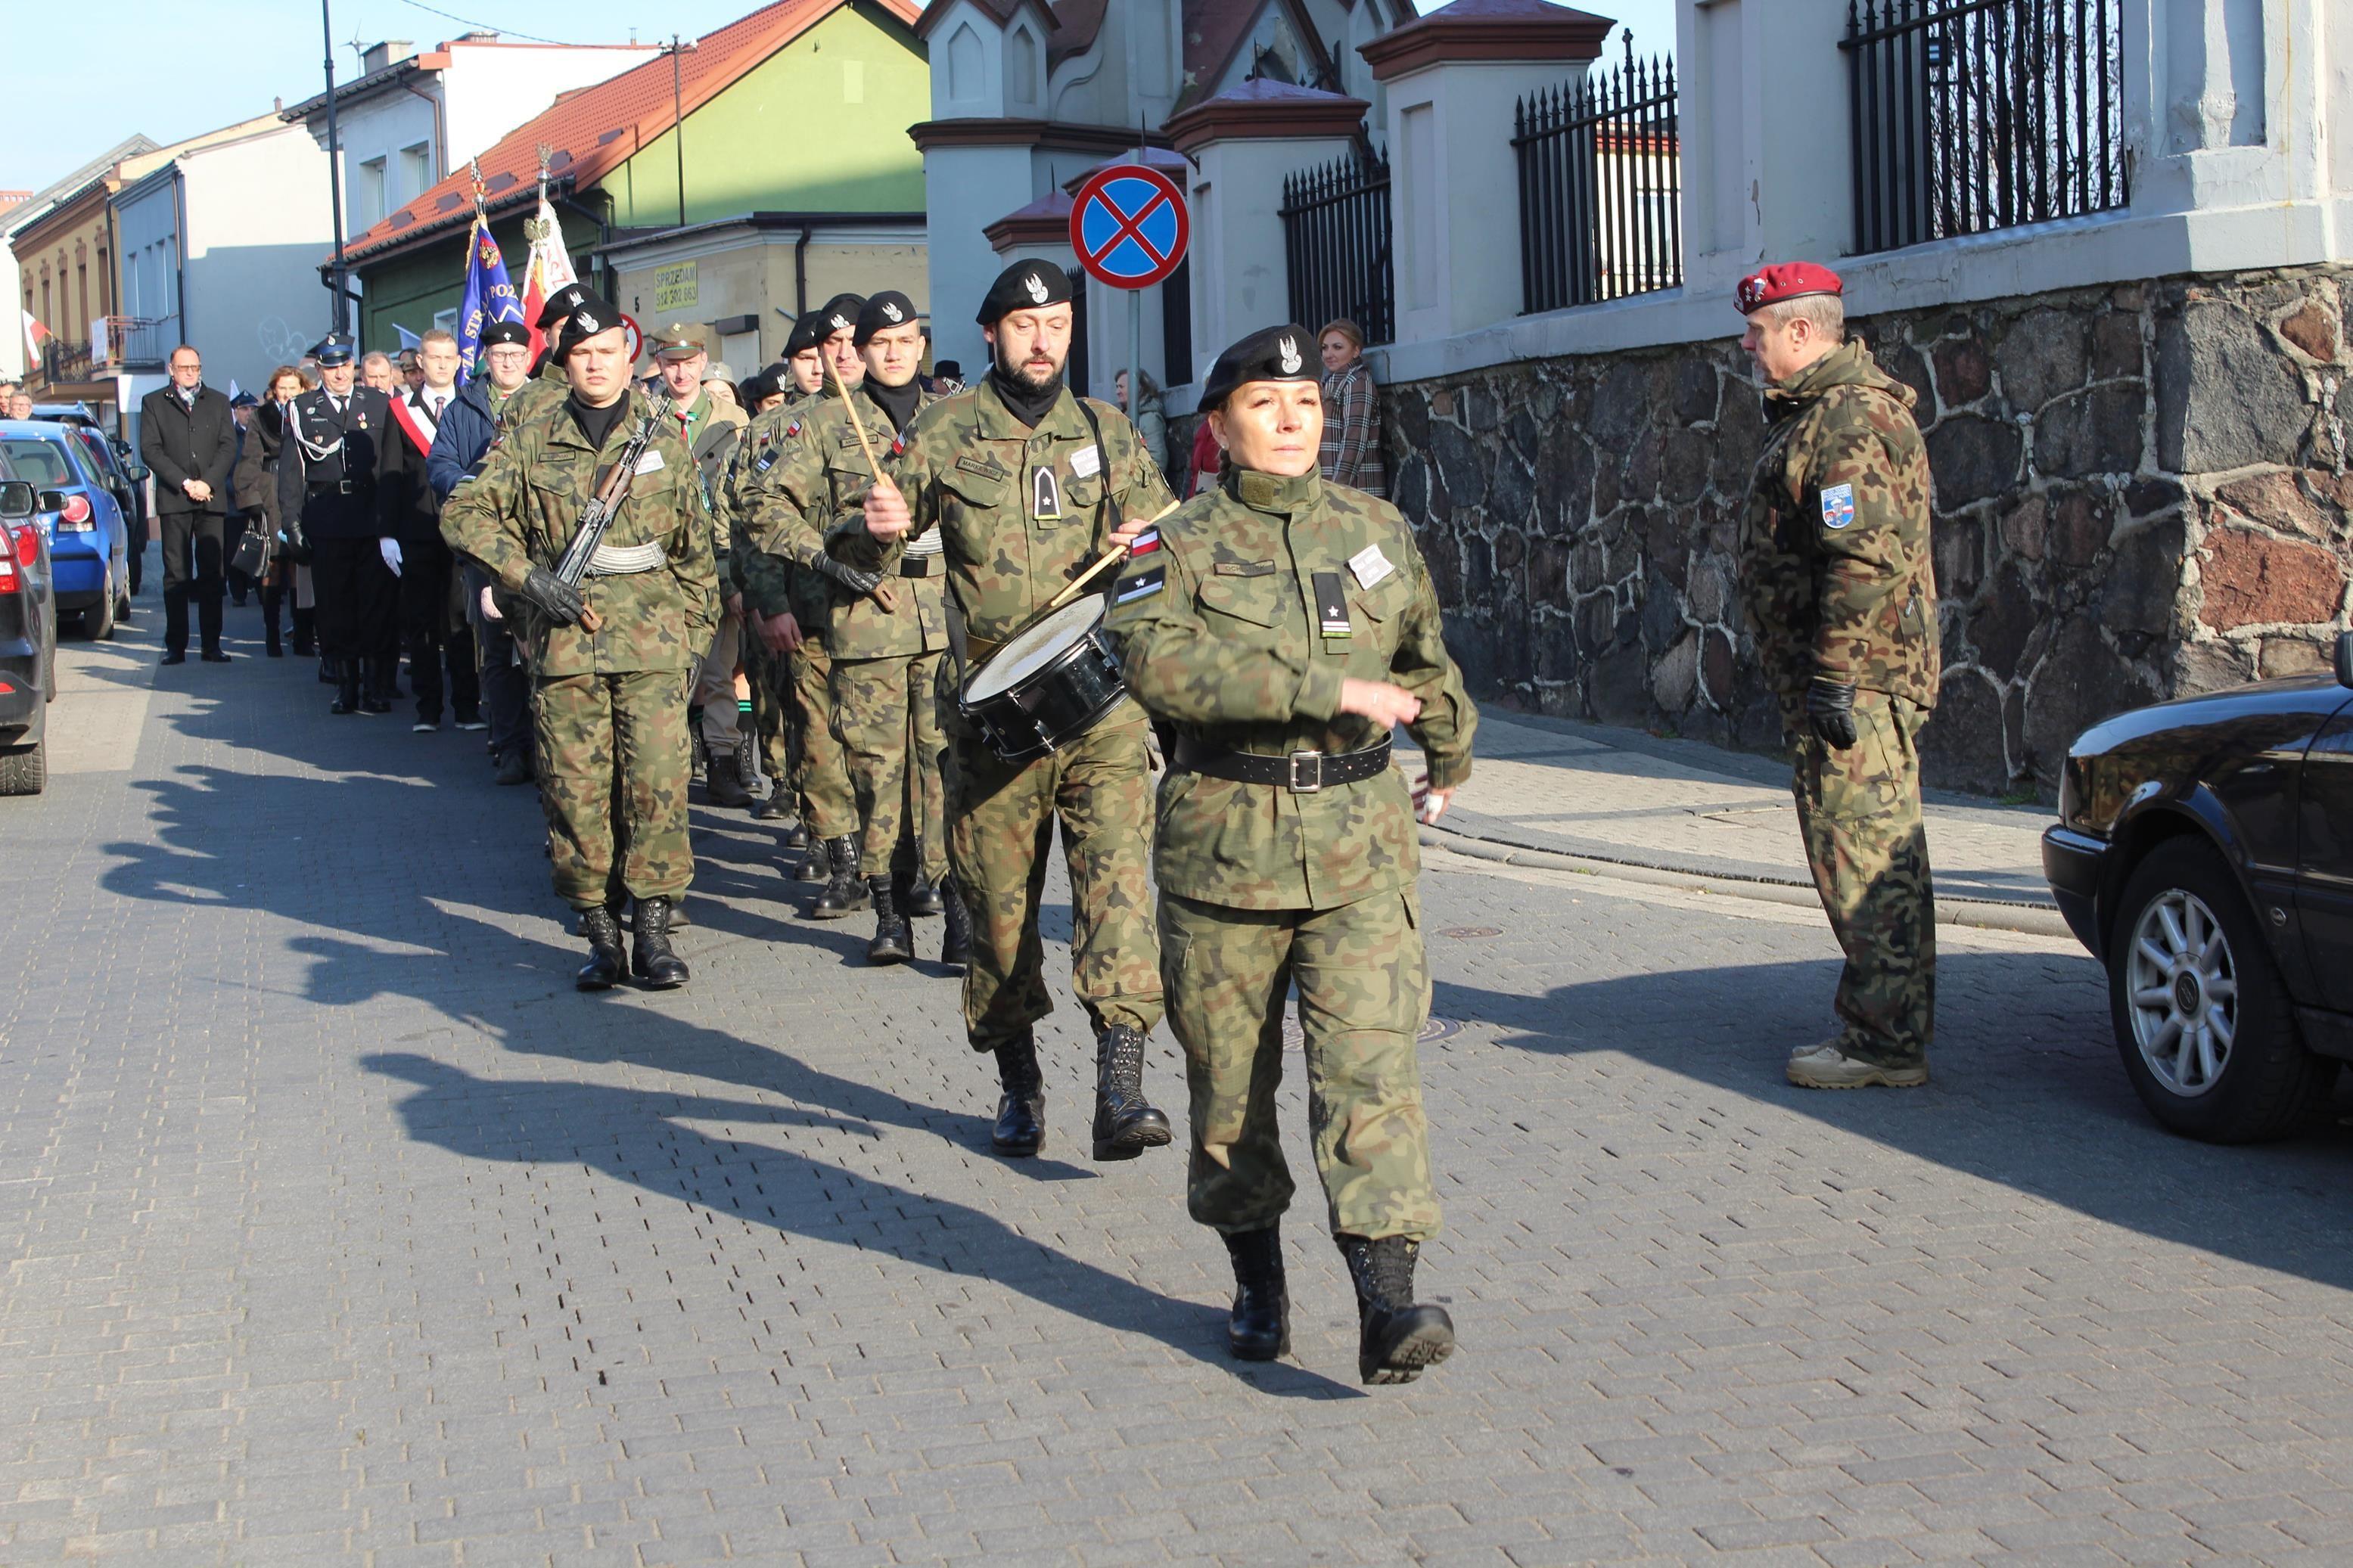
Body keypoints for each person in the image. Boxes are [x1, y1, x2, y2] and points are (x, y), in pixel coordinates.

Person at [1107, 323, 1476, 1383]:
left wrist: (1449, 749)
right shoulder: (1161, 547)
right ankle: (1256, 1276)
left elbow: (1423, 650)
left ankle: (1387, 1302)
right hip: (1225, 856)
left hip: (1361, 849)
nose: (1289, 421)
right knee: (1231, 1091)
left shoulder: (1373, 525)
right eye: (1264, 405)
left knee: (1372, 1073)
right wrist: (1327, 691)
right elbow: (1159, 670)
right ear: (1219, 426)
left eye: (1306, 403)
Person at [855, 259, 1173, 1163]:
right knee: (998, 912)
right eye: (1027, 327)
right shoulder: (942, 433)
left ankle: (1121, 1087)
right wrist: (874, 531)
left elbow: (1164, 550)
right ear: (992, 333)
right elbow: (870, 551)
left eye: (1060, 325)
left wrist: (1146, 546)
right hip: (995, 719)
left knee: (1117, 889)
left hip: (1099, 707)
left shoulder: (1109, 434)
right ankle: (1018, 1081)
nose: (1045, 341)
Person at [440, 293, 719, 989]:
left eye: (607, 354)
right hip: (566, 648)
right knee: (576, 792)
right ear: (565, 365)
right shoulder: (531, 438)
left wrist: (693, 641)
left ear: (629, 361)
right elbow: (463, 512)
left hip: (654, 647)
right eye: (581, 355)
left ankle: (653, 932)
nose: (595, 365)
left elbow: (695, 554)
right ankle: (600, 935)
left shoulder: (662, 444)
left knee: (658, 783)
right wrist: (525, 578)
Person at [1734, 262, 1940, 1090]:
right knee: (1855, 846)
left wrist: (1832, 677)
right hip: (1845, 681)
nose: (1747, 350)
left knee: (1866, 853)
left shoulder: (1849, 418)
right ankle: (1883, 1031)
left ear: (1798, 331)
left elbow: (1864, 559)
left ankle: (1883, 1044)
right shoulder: (1816, 415)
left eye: (1756, 335)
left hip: (1856, 686)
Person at [742, 290, 951, 963]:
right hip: (867, 622)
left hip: (950, 617)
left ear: (922, 346)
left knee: (948, 768)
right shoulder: (828, 424)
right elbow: (764, 507)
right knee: (875, 771)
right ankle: (889, 911)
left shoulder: (957, 420)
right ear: (858, 352)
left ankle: (957, 907)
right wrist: (828, 559)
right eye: (878, 343)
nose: (893, 353)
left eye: (906, 340)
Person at [729, 311, 849, 847]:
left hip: (870, 607)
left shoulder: (882, 420)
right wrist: (766, 598)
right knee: (808, 722)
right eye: (813, 354)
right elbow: (751, 523)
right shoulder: (773, 433)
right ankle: (824, 834)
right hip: (802, 600)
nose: (830, 361)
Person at [645, 322, 754, 808]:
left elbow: (746, 495)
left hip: (717, 561)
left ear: (703, 361)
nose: (681, 372)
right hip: (662, 564)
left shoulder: (734, 420)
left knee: (719, 669)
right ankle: (664, 766)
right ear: (659, 365)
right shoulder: (643, 416)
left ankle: (723, 762)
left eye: (690, 363)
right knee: (664, 672)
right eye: (671, 363)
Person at [431, 318, 539, 784]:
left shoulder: (550, 402)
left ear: (529, 357)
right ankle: (511, 745)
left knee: (544, 647)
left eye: (517, 355)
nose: (509, 362)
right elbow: (440, 465)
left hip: (541, 543)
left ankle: (548, 745)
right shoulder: (464, 407)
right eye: (500, 355)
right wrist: (478, 486)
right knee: (496, 648)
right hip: (487, 544)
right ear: (487, 359)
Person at [278, 334, 399, 714]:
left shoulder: (379, 403)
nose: (341, 373)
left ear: (354, 366)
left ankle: (376, 686)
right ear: (320, 370)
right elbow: (291, 473)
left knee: (376, 606)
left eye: (346, 365)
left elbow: (391, 466)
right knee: (335, 606)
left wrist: (390, 523)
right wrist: (292, 523)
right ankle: (345, 685)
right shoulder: (301, 408)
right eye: (331, 367)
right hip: (327, 517)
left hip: (370, 517)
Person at [379, 328, 481, 733]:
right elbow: (389, 472)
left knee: (461, 620)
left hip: (463, 528)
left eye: (449, 357)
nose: (442, 364)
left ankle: (468, 707)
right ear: (419, 362)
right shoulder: (400, 410)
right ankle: (428, 708)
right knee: (422, 621)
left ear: (459, 361)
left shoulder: (471, 406)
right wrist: (386, 532)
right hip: (418, 528)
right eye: (433, 357)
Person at [138, 344, 238, 665]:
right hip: (175, 497)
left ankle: (212, 644)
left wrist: (207, 482)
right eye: (184, 368)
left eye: (195, 367)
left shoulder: (219, 402)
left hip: (211, 498)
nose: (191, 373)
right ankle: (176, 645)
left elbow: (227, 447)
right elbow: (151, 450)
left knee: (212, 573)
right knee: (176, 574)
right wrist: (185, 482)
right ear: (171, 370)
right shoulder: (154, 403)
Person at [232, 368, 305, 657]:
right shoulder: (262, 417)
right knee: (273, 565)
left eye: (293, 388)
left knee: (299, 566)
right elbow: (249, 459)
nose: (287, 393)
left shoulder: (311, 412)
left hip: (302, 490)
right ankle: (272, 634)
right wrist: (250, 498)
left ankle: (302, 634)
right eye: (282, 388)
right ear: (274, 390)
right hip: (271, 489)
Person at [1316, 318, 1387, 498]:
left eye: (1337, 347)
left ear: (1356, 351)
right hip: (1331, 489)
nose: (1329, 354)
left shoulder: (1358, 382)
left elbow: (1353, 442)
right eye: (1324, 348)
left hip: (1356, 492)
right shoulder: (1329, 382)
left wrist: (1335, 493)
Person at [225, 392, 260, 607]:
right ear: (236, 412)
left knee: (260, 547)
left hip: (258, 502)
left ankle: (258, 585)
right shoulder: (229, 438)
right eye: (244, 409)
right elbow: (225, 473)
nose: (249, 413)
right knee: (235, 550)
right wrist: (240, 492)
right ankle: (238, 592)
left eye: (252, 409)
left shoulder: (260, 434)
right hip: (235, 504)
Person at [1114, 368, 1168, 483]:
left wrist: (1139, 485)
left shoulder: (1150, 419)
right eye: (1117, 387)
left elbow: (1158, 460)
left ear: (1137, 388)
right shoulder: (1121, 418)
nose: (1117, 392)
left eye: (1121, 387)